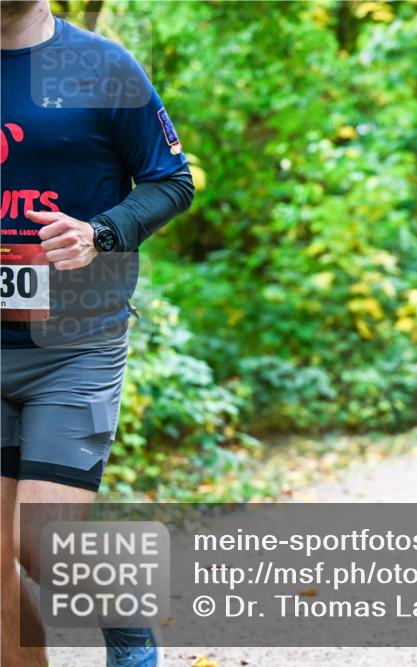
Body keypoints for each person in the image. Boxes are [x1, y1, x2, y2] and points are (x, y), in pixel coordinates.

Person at [2, 2, 194, 665]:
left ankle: (127, 621)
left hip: (74, 346)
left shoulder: (105, 67)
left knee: (42, 542)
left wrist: (99, 232)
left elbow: (172, 182)